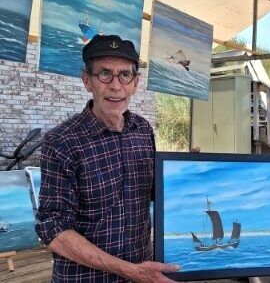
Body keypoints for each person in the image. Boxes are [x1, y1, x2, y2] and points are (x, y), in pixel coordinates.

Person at [35, 34, 179, 282]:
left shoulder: (143, 130)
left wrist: (183, 171)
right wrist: (129, 270)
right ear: (87, 81)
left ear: (135, 82)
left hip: (141, 272)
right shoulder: (61, 142)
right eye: (104, 74)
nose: (115, 86)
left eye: (125, 75)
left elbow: (153, 191)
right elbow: (54, 229)